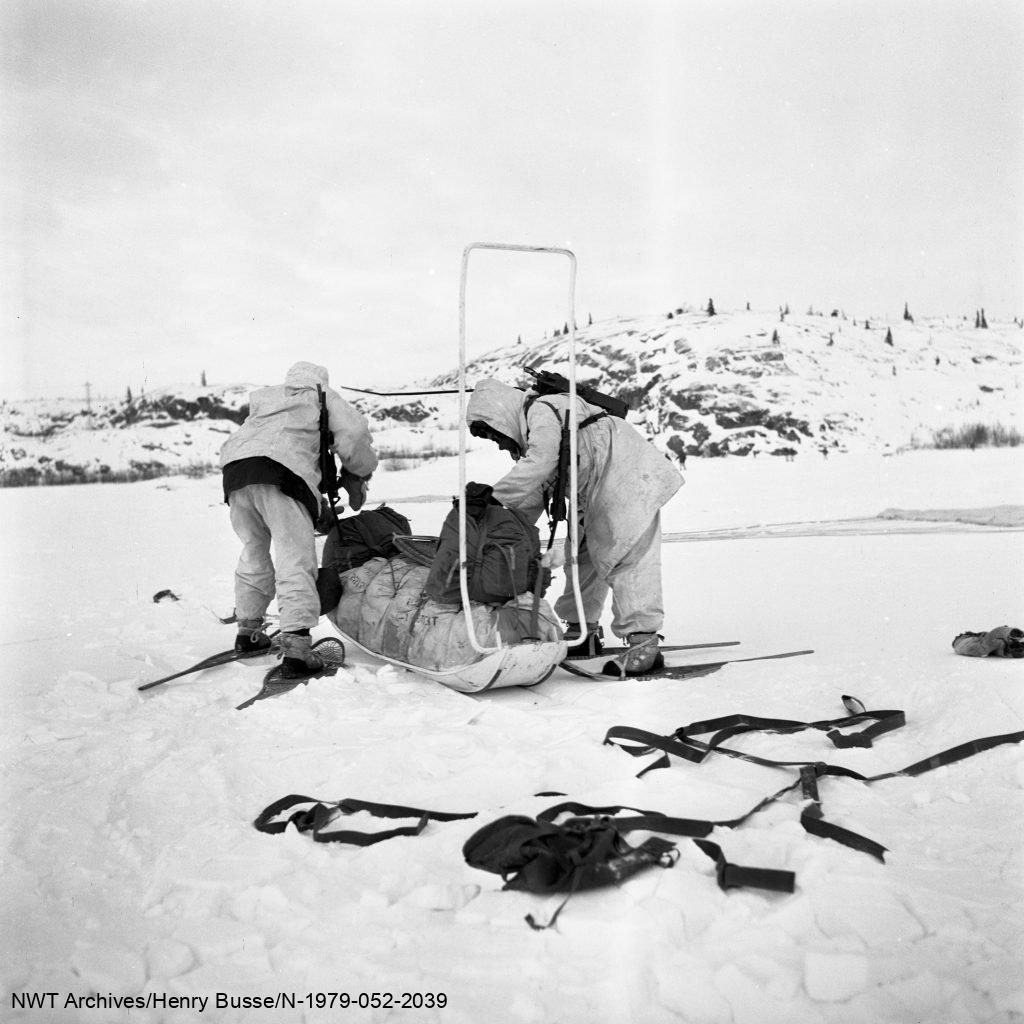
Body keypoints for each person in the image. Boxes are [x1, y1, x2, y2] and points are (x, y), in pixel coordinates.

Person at [466, 378, 683, 674]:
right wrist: (493, 519)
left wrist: (491, 498)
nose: (501, 444)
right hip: (594, 485)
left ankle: (643, 639)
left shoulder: (542, 410)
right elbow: (535, 492)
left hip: (624, 474)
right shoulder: (537, 429)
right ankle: (583, 630)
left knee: (627, 552)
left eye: (496, 435)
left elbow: (540, 464)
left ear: (501, 415)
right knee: (580, 556)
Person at [219, 361, 378, 678]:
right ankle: (297, 650)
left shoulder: (268, 401)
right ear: (321, 380)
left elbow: (283, 447)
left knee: (254, 549)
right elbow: (355, 434)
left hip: (236, 472)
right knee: (295, 558)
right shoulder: (320, 395)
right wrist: (358, 473)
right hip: (281, 474)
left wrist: (314, 506)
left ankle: (248, 633)